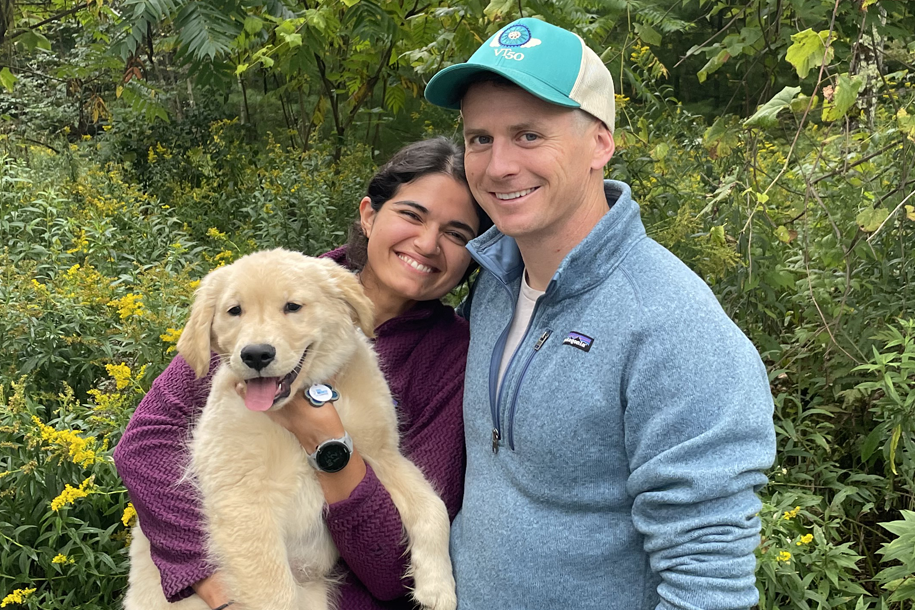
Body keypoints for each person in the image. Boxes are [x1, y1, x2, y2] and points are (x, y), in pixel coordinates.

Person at [423, 18, 776, 610]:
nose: (498, 165)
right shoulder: (493, 281)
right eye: (479, 138)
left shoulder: (674, 328)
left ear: (601, 143)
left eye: (529, 135)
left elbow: (707, 582)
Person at [113, 136, 491, 610]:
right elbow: (144, 446)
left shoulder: (452, 354)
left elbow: (393, 570)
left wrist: (325, 442)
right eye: (412, 215)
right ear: (370, 215)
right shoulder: (259, 293)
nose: (428, 242)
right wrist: (209, 582)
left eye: (456, 233)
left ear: (474, 252)